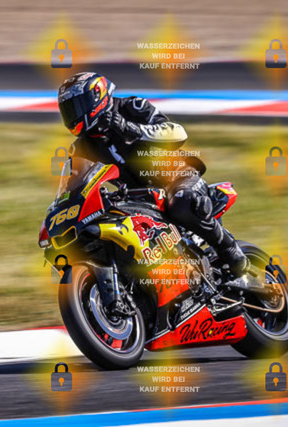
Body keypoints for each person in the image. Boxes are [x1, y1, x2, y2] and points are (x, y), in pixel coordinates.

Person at [57, 72, 250, 280]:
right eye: (67, 110)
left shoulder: (131, 106)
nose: (72, 115)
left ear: (97, 97)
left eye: (76, 107)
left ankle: (230, 250)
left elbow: (176, 133)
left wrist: (128, 128)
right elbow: (74, 186)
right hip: (139, 197)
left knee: (182, 203)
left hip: (178, 177)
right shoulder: (81, 147)